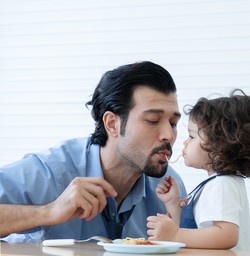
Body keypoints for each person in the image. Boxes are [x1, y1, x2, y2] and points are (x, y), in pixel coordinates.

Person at [0, 61, 187, 242]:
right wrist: (49, 211)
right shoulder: (50, 172)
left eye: (173, 124)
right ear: (112, 124)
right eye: (153, 120)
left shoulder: (170, 188)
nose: (169, 135)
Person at [146, 89, 250, 250]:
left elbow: (226, 235)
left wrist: (175, 235)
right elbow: (197, 233)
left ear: (219, 147)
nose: (185, 142)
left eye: (192, 137)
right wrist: (173, 202)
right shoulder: (217, 183)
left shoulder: (223, 185)